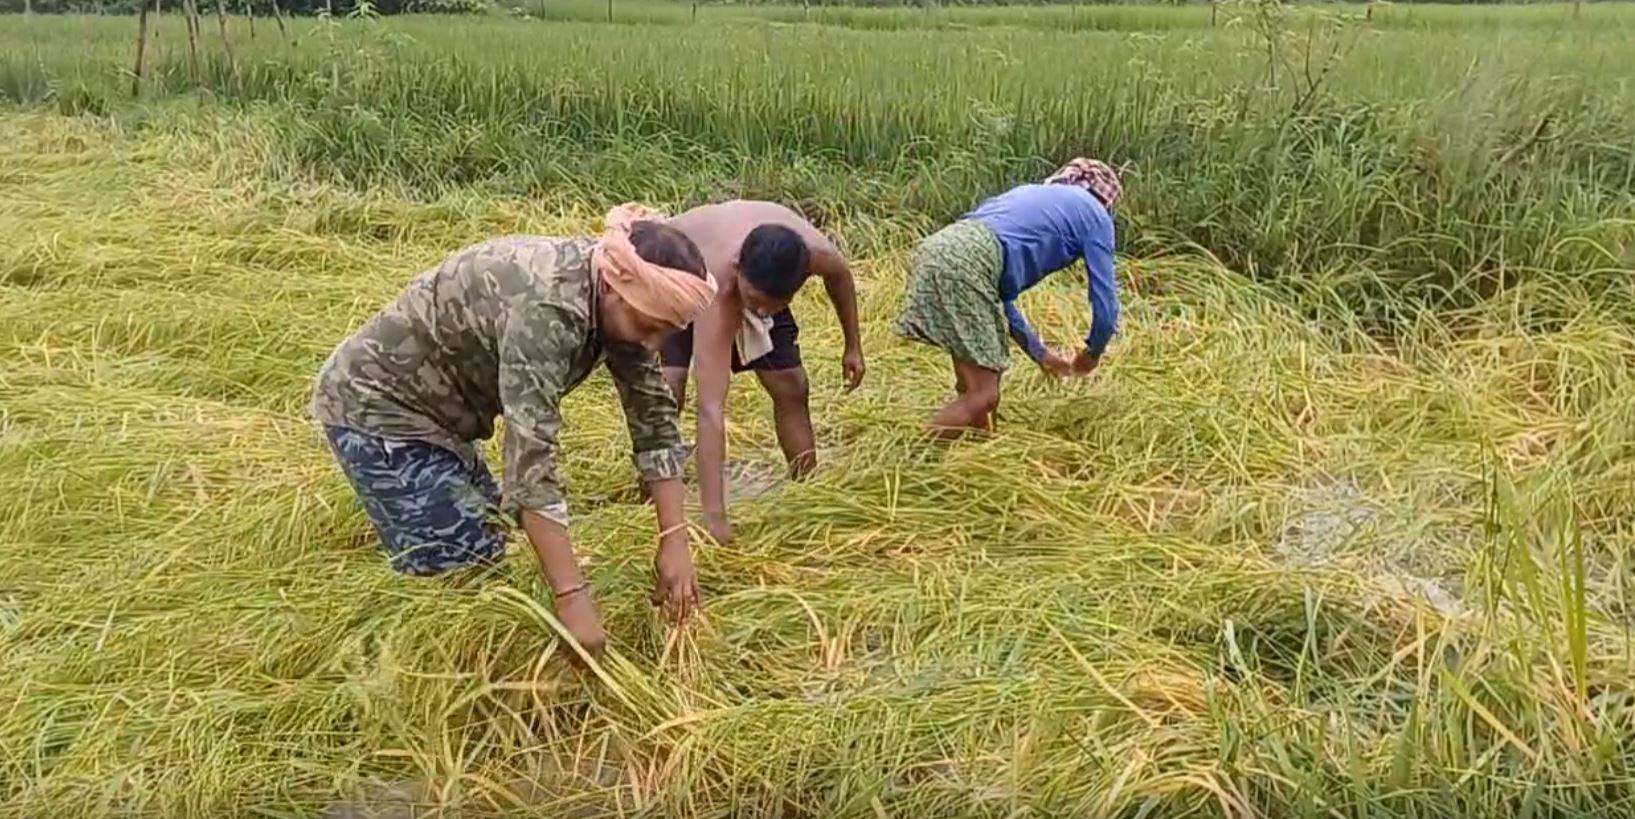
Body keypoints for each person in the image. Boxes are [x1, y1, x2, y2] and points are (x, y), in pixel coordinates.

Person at [309, 206, 716, 658]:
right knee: (462, 577)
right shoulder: (547, 310)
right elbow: (531, 461)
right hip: (379, 409)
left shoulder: (620, 301)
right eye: (648, 327)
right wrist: (572, 599)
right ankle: (390, 671)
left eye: (666, 332)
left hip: (443, 421)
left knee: (490, 548)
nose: (652, 344)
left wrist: (675, 540)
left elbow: (655, 420)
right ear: (610, 286)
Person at [660, 200, 865, 545]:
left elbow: (840, 276)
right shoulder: (719, 280)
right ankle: (652, 496)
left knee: (792, 387)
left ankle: (807, 487)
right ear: (739, 269)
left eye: (776, 305)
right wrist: (716, 518)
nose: (762, 312)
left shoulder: (814, 254)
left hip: (759, 280)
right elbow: (711, 408)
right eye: (756, 302)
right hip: (678, 274)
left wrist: (853, 345)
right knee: (669, 390)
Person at [895, 158, 1123, 439]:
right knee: (984, 394)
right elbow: (1107, 310)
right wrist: (1092, 354)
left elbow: (997, 303)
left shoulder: (1028, 194)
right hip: (968, 263)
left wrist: (1041, 355)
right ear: (1107, 199)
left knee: (972, 386)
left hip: (937, 248)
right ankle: (913, 460)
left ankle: (981, 453)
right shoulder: (1095, 215)